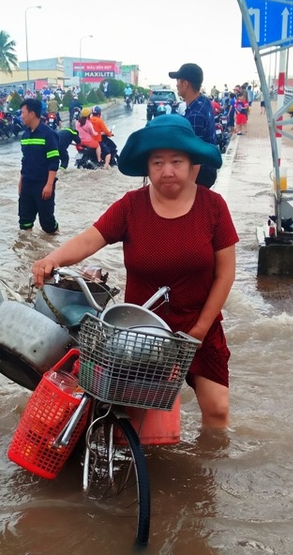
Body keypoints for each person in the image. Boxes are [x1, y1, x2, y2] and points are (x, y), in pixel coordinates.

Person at [31, 114, 236, 428]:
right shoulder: (130, 206)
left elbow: (226, 274)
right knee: (136, 423)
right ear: (146, 167)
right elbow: (90, 239)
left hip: (199, 326)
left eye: (177, 161)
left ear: (193, 163)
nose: (167, 171)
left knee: (218, 409)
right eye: (157, 163)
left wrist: (199, 329)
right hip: (140, 331)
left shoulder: (214, 207)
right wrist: (52, 260)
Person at [169, 62, 218, 188]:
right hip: (209, 169)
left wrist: (188, 189)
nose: (177, 84)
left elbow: (196, 155)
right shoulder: (204, 102)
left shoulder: (195, 114)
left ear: (186, 84)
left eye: (178, 80)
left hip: (201, 174)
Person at [17, 97, 60, 234]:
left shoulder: (49, 134)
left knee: (47, 223)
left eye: (22, 112)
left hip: (42, 184)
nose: (21, 116)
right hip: (27, 183)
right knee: (24, 221)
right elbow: (25, 161)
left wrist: (49, 185)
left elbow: (54, 162)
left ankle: (55, 246)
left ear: (32, 114)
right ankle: (28, 253)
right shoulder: (25, 135)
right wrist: (21, 182)